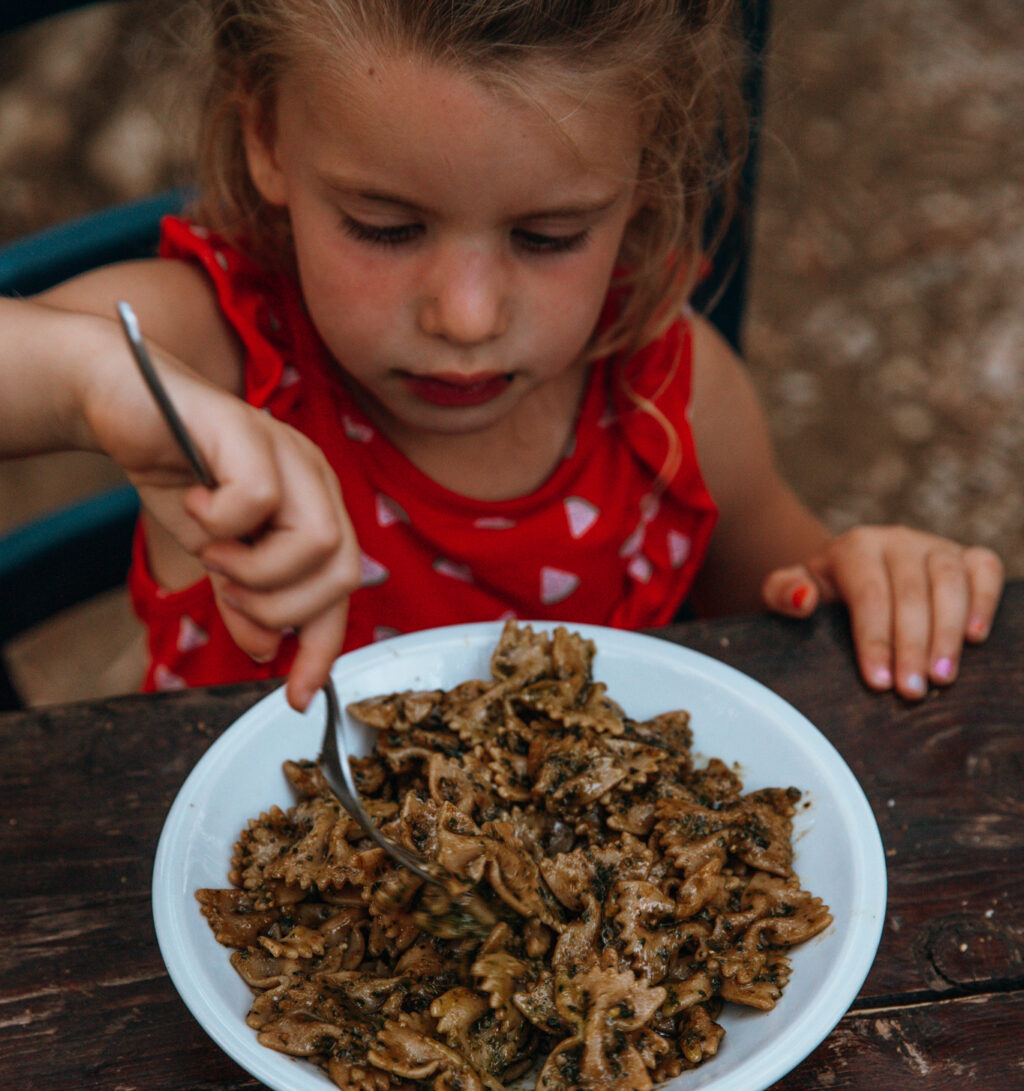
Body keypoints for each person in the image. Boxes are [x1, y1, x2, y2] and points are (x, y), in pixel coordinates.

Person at [0, 0, 1003, 712]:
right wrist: (95, 383)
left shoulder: (671, 401)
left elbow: (786, 608)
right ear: (265, 130)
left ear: (646, 175)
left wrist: (866, 586)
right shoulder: (216, 350)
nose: (467, 316)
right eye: (386, 227)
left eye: (549, 236)